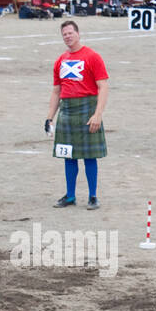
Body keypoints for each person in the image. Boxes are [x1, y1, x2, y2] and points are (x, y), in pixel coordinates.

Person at [45, 20, 109, 209]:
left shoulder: (92, 56)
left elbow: (103, 86)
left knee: (90, 156)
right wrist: (49, 117)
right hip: (67, 111)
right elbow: (56, 91)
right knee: (68, 155)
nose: (68, 36)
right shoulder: (60, 60)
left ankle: (92, 196)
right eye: (64, 34)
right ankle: (70, 196)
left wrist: (98, 114)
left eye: (70, 33)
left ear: (78, 33)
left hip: (87, 109)